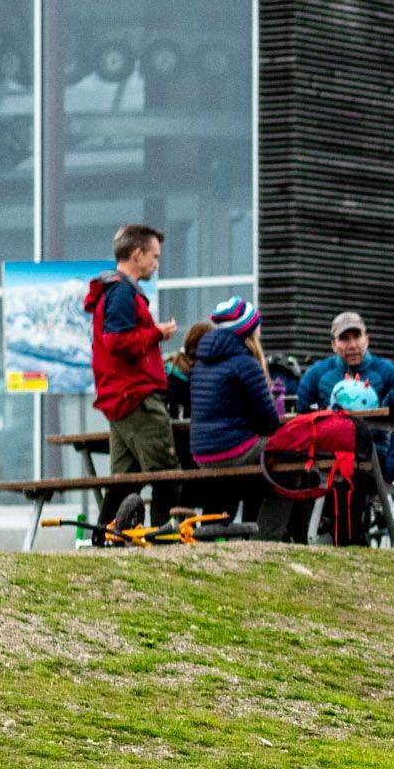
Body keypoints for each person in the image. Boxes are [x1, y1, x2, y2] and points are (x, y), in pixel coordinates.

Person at [178, 299, 284, 536]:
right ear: (246, 330)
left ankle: (214, 534)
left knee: (241, 477)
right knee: (290, 462)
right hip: (233, 451)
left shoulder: (200, 364)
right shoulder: (245, 363)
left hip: (202, 454)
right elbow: (269, 422)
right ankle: (267, 538)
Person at [84, 225, 177, 479]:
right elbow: (117, 341)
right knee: (168, 478)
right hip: (137, 398)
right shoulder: (124, 292)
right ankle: (165, 522)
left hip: (121, 398)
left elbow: (116, 338)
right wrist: (158, 334)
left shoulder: (112, 290)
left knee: (122, 485)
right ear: (137, 254)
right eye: (154, 257)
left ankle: (113, 521)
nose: (157, 264)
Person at [295, 312, 394, 415]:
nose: (352, 345)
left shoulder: (389, 373)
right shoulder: (315, 375)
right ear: (333, 345)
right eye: (344, 338)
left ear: (367, 339)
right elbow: (301, 416)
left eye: (357, 336)